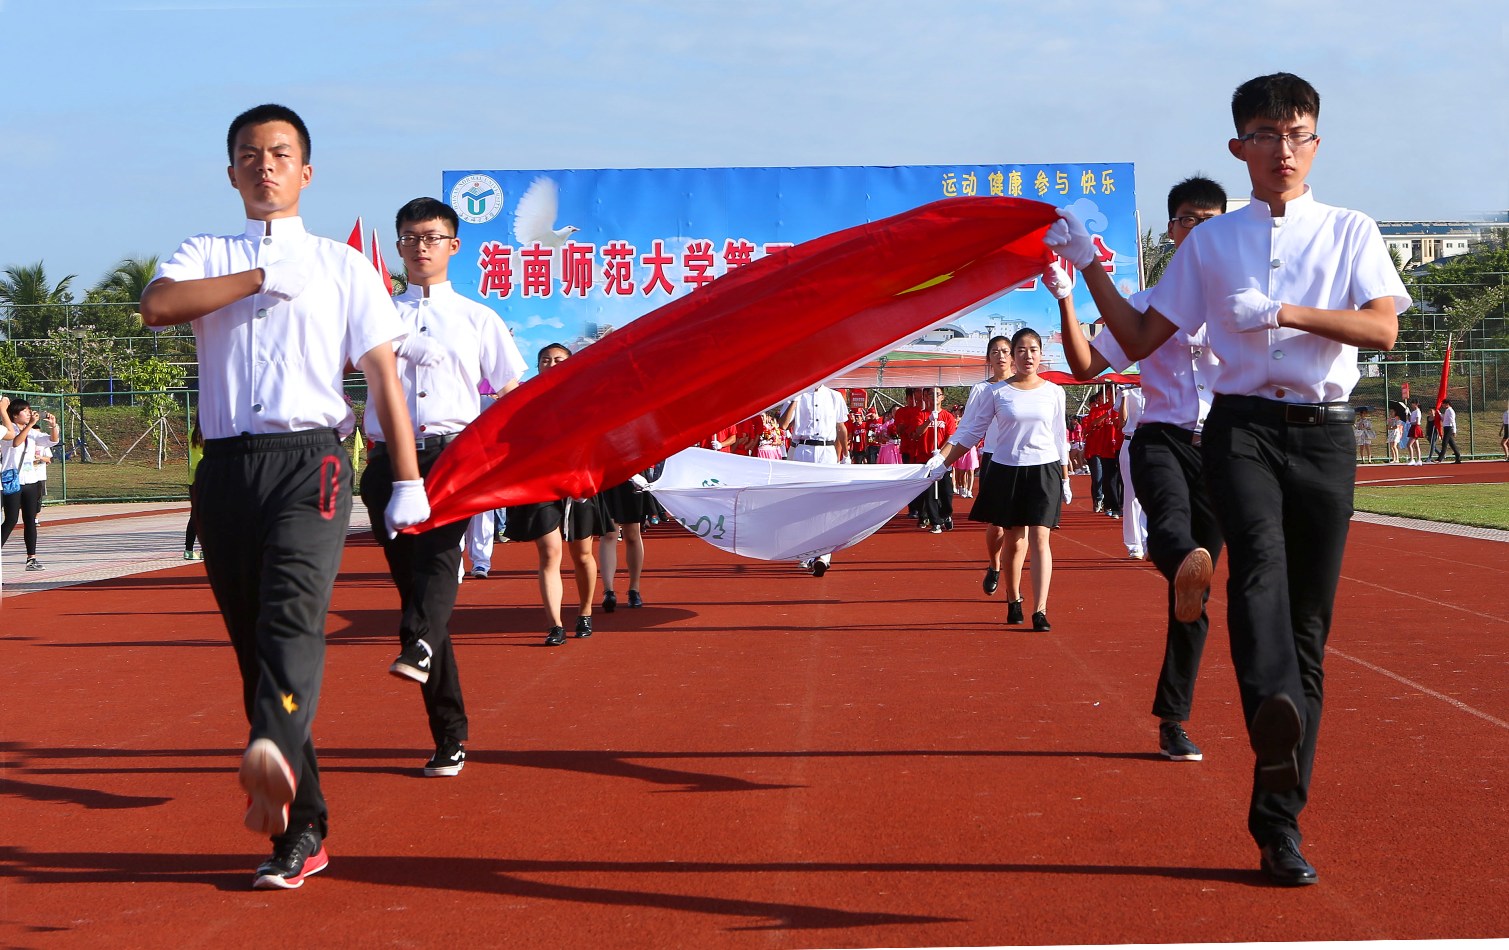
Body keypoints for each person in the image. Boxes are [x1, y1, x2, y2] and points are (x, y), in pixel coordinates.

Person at [1050, 73, 1410, 886]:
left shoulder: (1351, 229)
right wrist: (1090, 268)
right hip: (1239, 426)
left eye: (1297, 134)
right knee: (1254, 569)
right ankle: (1269, 714)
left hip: (1324, 434)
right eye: (1265, 134)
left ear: (1315, 141)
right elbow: (1140, 335)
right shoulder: (1209, 245)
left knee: (1309, 630)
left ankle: (1277, 822)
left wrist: (1285, 314)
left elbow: (1381, 328)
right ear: (1237, 146)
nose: (1282, 150)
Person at [139, 103, 430, 891]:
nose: (263, 165)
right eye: (248, 154)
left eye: (279, 153)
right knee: (255, 654)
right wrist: (261, 277)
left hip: (313, 462)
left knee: (290, 620)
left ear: (306, 171)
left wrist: (406, 478)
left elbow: (381, 379)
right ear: (231, 171)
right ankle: (303, 827)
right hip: (227, 469)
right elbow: (159, 307)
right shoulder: (207, 252)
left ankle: (267, 746)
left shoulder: (344, 266)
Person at [1053, 173, 1229, 765]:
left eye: (1212, 222)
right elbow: (1084, 367)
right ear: (1172, 231)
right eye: (1188, 221)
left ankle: (1173, 720)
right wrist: (1066, 295)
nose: (1199, 231)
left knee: (1195, 602)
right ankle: (1180, 561)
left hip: (1226, 450)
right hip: (1161, 438)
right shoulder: (1151, 304)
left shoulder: (1247, 300)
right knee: (1173, 532)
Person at [359, 196, 526, 779]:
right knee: (419, 599)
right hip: (386, 464)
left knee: (436, 566)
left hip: (453, 456)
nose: (421, 247)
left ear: (455, 245)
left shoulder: (478, 318)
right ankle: (448, 732)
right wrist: (400, 342)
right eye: (410, 237)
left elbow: (510, 388)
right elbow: (343, 358)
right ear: (399, 246)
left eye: (432, 237)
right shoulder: (377, 312)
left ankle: (421, 652)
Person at [937, 328, 1069, 631]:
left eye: (1034, 350)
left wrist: (1065, 476)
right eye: (1021, 350)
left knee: (1040, 538)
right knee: (1014, 539)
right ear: (1014, 355)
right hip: (1009, 468)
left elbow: (1060, 437)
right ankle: (1013, 598)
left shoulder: (1054, 392)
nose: (1028, 356)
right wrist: (944, 460)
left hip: (1044, 469)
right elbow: (971, 432)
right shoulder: (996, 393)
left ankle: (1041, 610)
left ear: (1041, 355)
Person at [503, 344, 611, 644]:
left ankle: (585, 612)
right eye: (545, 360)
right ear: (537, 365)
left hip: (578, 483)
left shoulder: (585, 397)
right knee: (549, 552)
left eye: (558, 360)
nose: (551, 364)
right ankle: (555, 625)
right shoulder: (526, 399)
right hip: (541, 484)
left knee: (583, 554)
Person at [780, 380, 848, 575]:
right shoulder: (796, 395)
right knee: (803, 505)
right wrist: (795, 398)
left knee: (827, 504)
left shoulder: (835, 396)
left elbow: (841, 427)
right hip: (802, 449)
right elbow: (783, 424)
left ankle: (823, 556)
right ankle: (806, 553)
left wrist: (846, 455)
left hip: (826, 451)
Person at [2, 399, 58, 572]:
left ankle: (31, 558)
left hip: (31, 481)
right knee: (11, 519)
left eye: (29, 411)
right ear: (14, 414)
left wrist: (53, 427)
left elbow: (51, 441)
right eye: (25, 411)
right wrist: (30, 425)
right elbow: (16, 442)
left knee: (30, 520)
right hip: (13, 480)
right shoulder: (6, 430)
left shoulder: (32, 432)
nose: (29, 413)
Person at [916, 387, 957, 533]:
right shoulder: (922, 415)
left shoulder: (948, 416)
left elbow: (951, 436)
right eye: (930, 395)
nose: (934, 397)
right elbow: (917, 433)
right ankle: (935, 522)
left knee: (946, 492)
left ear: (942, 397)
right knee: (930, 492)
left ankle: (946, 514)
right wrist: (929, 420)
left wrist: (941, 453)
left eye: (937, 395)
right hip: (926, 459)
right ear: (926, 398)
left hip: (943, 459)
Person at [1117, 384, 1149, 558]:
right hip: (1131, 442)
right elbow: (1122, 421)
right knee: (1132, 496)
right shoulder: (1125, 387)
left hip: (1154, 443)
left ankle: (1150, 541)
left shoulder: (1157, 379)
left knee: (1153, 494)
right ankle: (1134, 543)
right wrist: (1124, 396)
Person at [184, 418, 204, 559]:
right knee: (210, 515)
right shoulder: (211, 434)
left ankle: (188, 549)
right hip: (207, 474)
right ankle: (206, 549)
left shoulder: (192, 432)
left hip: (193, 476)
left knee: (195, 514)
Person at [1435, 399, 1461, 463]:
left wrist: (1454, 430)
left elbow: (1452, 421)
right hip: (1446, 428)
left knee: (1444, 443)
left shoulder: (1450, 411)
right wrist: (1439, 413)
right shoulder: (1447, 411)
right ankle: (1458, 457)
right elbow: (1444, 419)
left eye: (1443, 404)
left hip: (1449, 428)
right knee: (1452, 444)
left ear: (1447, 404)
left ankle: (1439, 459)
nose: (1442, 405)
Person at [1406, 398, 1423, 465]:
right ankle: (1419, 460)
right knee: (1416, 445)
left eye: (1412, 404)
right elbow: (1409, 420)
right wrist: (1407, 414)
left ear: (1416, 404)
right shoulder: (1413, 412)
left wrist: (1411, 423)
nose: (1411, 405)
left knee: (1409, 444)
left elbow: (1417, 422)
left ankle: (1412, 459)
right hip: (1413, 428)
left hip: (1416, 428)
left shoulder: (1418, 411)